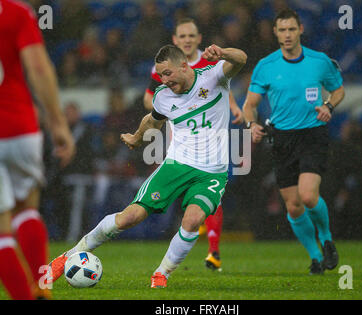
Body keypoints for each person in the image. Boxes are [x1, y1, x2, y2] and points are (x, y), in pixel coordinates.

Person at [46, 44, 247, 288]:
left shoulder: (214, 77)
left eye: (168, 73)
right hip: (176, 166)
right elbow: (152, 120)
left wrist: (223, 53)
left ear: (184, 65)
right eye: (160, 75)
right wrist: (137, 137)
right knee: (130, 217)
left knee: (193, 221)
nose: (164, 80)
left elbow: (241, 59)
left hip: (211, 172)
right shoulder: (163, 96)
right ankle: (66, 256)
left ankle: (161, 274)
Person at [242, 8, 345, 274]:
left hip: (312, 134)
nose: (287, 35)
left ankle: (327, 240)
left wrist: (329, 106)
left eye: (291, 29)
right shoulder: (266, 66)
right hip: (282, 139)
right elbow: (250, 104)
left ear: (300, 30)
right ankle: (314, 257)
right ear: (275, 33)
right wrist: (251, 124)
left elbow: (338, 90)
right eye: (282, 30)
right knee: (293, 205)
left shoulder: (319, 61)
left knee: (309, 196)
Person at [143, 17, 244, 271]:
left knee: (212, 191)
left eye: (191, 36)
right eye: (182, 36)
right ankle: (180, 236)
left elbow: (224, 83)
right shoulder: (164, 70)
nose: (187, 40)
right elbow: (150, 101)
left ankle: (212, 248)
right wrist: (166, 109)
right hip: (179, 139)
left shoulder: (208, 61)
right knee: (178, 195)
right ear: (175, 40)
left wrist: (233, 107)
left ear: (198, 39)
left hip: (213, 138)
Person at [0, 0, 75, 299]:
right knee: (26, 210)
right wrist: (57, 123)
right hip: (19, 125)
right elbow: (38, 67)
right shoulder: (16, 13)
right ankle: (42, 286)